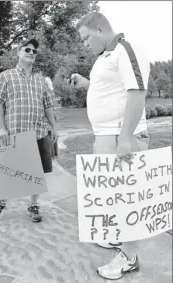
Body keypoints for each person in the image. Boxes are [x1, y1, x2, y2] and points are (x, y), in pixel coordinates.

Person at [68, 12, 150, 280]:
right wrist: (86, 83)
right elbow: (110, 91)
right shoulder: (105, 56)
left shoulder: (126, 49)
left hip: (120, 137)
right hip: (106, 135)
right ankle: (118, 238)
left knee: (128, 198)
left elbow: (136, 92)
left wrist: (125, 139)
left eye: (85, 39)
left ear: (100, 29)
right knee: (111, 196)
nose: (84, 45)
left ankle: (129, 257)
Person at [0, 38, 58, 223]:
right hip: (14, 134)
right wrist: (1, 128)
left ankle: (33, 205)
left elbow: (48, 106)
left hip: (38, 133)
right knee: (9, 171)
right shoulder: (6, 76)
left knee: (38, 174)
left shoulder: (41, 80)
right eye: (27, 50)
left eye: (34, 52)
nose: (31, 53)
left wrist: (54, 127)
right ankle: (0, 203)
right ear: (18, 52)